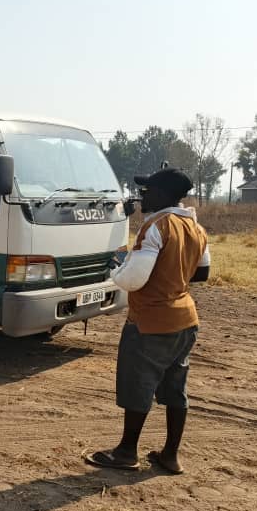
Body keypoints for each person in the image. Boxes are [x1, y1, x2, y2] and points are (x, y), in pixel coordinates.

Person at [85, 167, 210, 475]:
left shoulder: (156, 225)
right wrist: (172, 276)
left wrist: (115, 269)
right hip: (185, 319)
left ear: (163, 194)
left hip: (150, 323)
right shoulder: (196, 227)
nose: (142, 197)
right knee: (175, 388)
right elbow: (202, 273)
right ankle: (170, 455)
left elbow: (134, 280)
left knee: (138, 386)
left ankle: (126, 452)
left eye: (148, 191)